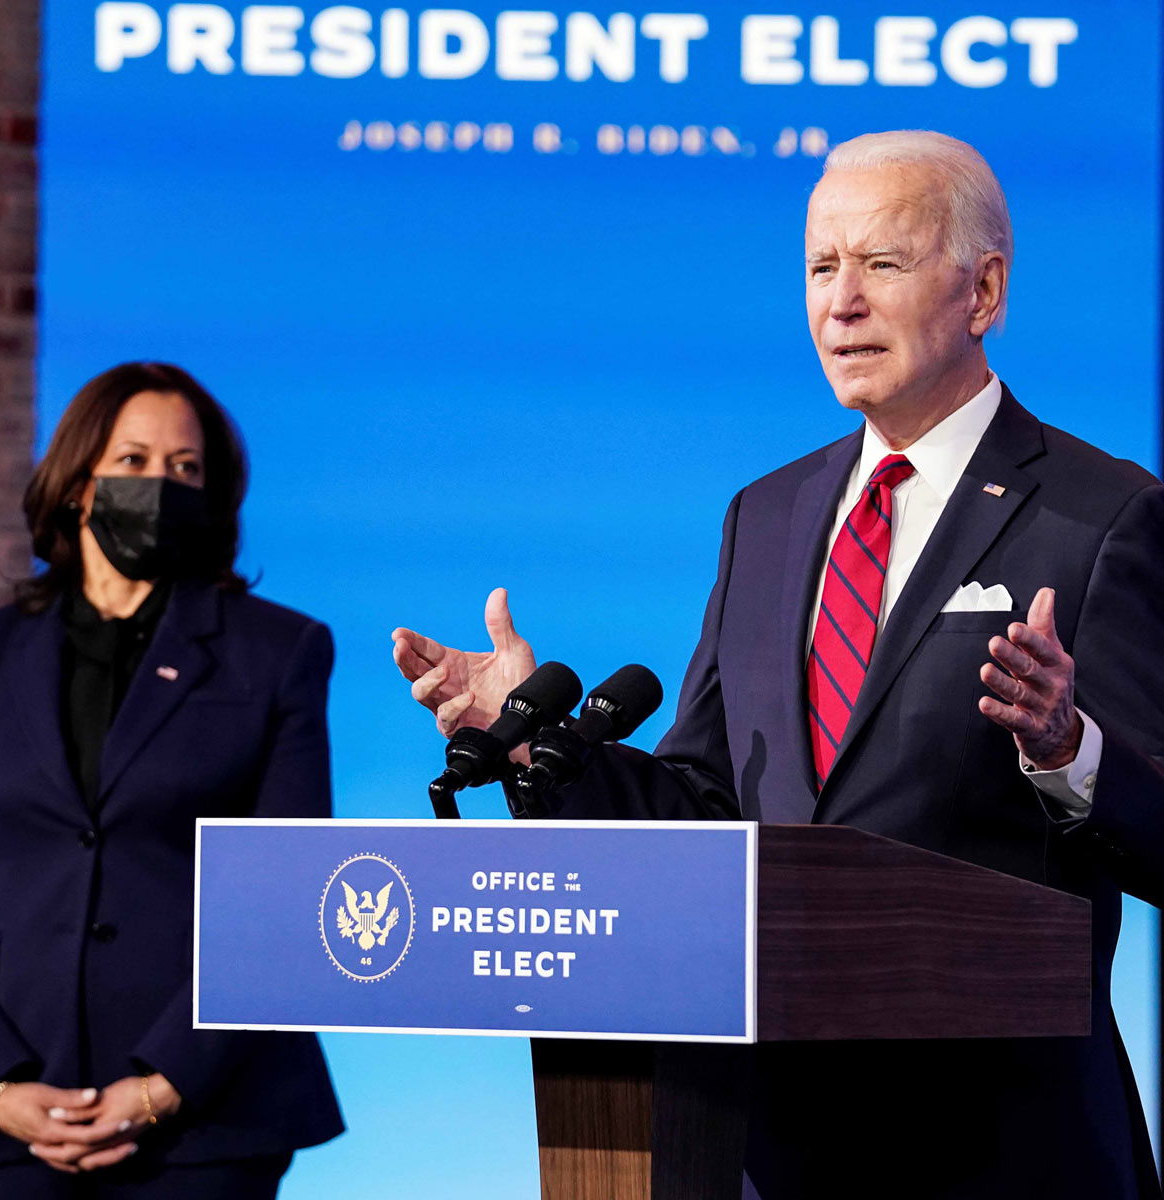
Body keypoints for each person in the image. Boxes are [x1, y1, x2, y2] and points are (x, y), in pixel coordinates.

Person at [393, 132, 1164, 1198]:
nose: (839, 302)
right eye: (819, 267)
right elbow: (707, 797)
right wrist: (534, 742)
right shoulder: (768, 513)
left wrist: (1068, 750)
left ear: (984, 291)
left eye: (881, 265)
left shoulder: (1103, 514)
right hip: (764, 1146)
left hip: (1001, 1146)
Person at [0, 363, 344, 1197]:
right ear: (75, 483)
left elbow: (288, 897)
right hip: (1, 1124)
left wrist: (163, 1084)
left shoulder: (278, 653)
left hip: (205, 1126)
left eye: (185, 469)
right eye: (132, 461)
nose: (158, 484)